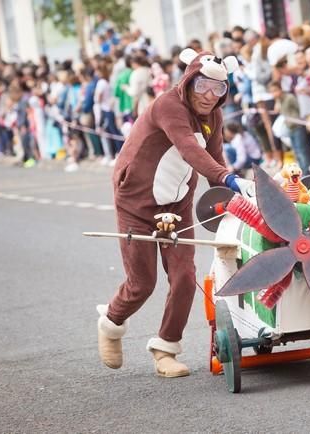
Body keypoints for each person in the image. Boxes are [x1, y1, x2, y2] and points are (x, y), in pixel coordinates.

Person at [96, 49, 253, 378]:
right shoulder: (169, 105)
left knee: (184, 277)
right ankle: (110, 323)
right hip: (135, 200)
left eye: (219, 88)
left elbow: (214, 161)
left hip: (177, 201)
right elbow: (189, 148)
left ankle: (166, 348)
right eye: (203, 86)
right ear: (189, 81)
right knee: (142, 283)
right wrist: (228, 177)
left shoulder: (214, 117)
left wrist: (241, 194)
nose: (210, 96)